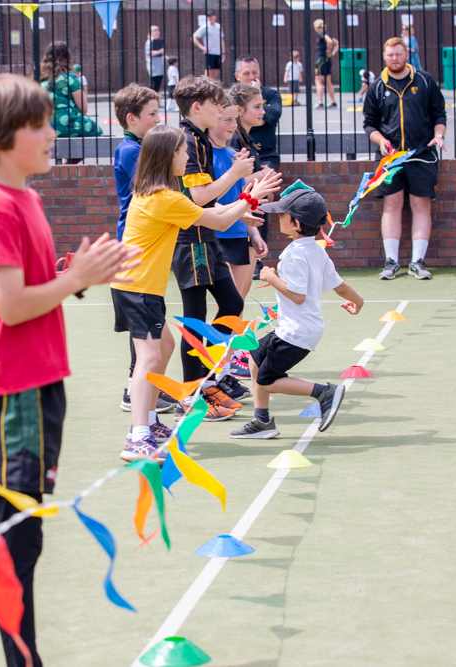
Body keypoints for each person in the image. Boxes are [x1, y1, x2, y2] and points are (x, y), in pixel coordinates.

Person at [0, 73, 139, 667]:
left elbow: (29, 286)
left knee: (3, 531)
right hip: (12, 391)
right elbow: (10, 306)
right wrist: (76, 280)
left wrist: (77, 274)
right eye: (41, 124)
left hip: (32, 385)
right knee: (17, 537)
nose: (54, 132)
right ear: (5, 138)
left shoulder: (23, 198)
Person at [111, 125, 281, 461]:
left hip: (136, 287)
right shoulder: (165, 198)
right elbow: (215, 222)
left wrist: (238, 209)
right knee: (149, 357)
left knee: (165, 346)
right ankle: (137, 437)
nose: (188, 156)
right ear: (168, 157)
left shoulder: (158, 195)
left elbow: (205, 215)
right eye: (182, 151)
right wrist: (250, 196)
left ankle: (148, 421)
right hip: (139, 288)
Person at [230, 189, 364, 440]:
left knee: (268, 380)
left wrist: (270, 277)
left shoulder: (293, 255)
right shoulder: (317, 250)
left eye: (282, 214)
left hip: (296, 334)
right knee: (256, 358)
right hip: (295, 328)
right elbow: (340, 286)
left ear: (296, 223)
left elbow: (297, 295)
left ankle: (324, 392)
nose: (278, 217)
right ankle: (261, 421)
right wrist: (359, 302)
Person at [173, 75, 260, 418]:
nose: (223, 111)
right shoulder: (189, 140)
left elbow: (205, 203)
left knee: (229, 305)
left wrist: (238, 209)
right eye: (216, 105)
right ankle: (195, 392)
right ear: (198, 108)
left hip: (205, 233)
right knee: (197, 318)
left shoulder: (199, 140)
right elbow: (196, 197)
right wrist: (237, 173)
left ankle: (205, 383)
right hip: (191, 240)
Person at [112, 84, 178, 415]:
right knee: (147, 337)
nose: (158, 119)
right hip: (137, 245)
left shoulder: (137, 147)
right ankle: (134, 390)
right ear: (131, 118)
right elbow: (157, 183)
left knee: (157, 339)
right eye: (152, 114)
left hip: (143, 240)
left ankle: (142, 392)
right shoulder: (131, 150)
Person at [363, 37, 447, 281]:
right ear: (384, 56)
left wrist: (438, 135)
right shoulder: (377, 87)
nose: (394, 59)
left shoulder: (424, 80)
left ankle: (417, 261)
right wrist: (381, 141)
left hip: (422, 154)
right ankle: (391, 262)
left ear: (406, 55)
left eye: (398, 54)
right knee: (391, 205)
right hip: (391, 158)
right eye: (390, 55)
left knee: (421, 205)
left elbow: (438, 113)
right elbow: (369, 124)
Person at [209, 92, 273, 396]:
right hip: (220, 234)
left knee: (237, 303)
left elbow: (242, 202)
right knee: (228, 306)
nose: (233, 125)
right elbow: (213, 200)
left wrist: (255, 235)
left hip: (240, 233)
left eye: (235, 119)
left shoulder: (236, 153)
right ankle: (216, 373)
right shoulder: (208, 155)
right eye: (227, 120)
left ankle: (228, 366)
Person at [232, 55, 283, 279]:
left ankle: (255, 250)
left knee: (261, 196)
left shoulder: (270, 94)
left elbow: (273, 115)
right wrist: (259, 175)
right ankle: (252, 248)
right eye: (247, 74)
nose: (252, 77)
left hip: (265, 156)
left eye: (255, 73)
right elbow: (231, 184)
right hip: (226, 224)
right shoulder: (233, 140)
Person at [39, 41, 102, 138]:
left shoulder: (38, 78)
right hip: (68, 124)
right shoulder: (70, 77)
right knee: (96, 129)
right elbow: (84, 109)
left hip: (43, 125)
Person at [313, 19, 339, 107]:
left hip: (321, 60)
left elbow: (330, 41)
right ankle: (332, 101)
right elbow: (337, 43)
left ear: (316, 27)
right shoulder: (327, 33)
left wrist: (328, 51)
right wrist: (332, 53)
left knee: (318, 81)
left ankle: (320, 102)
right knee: (328, 81)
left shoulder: (321, 33)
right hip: (327, 60)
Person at [193, 10, 225, 81]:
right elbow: (194, 36)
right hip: (210, 53)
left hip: (218, 53)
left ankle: (213, 89)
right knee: (208, 73)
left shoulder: (218, 26)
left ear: (215, 16)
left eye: (211, 16)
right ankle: (205, 88)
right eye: (208, 16)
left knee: (215, 73)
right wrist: (202, 47)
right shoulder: (205, 27)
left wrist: (223, 52)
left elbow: (221, 39)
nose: (210, 17)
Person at [145, 25, 166, 93]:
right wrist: (160, 51)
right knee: (154, 84)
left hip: (160, 65)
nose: (157, 33)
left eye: (158, 31)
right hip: (153, 66)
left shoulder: (159, 42)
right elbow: (149, 53)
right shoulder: (149, 42)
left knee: (158, 83)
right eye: (155, 31)